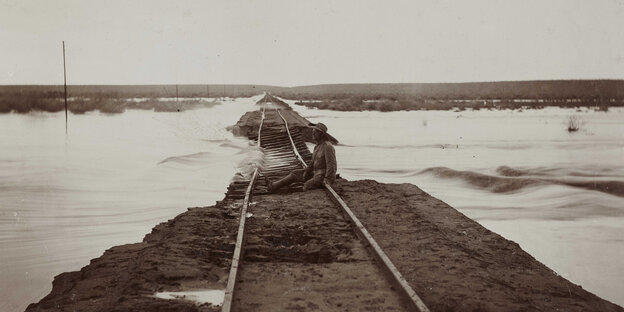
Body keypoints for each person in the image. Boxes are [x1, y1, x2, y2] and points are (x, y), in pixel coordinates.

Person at [266, 122, 337, 192]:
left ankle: (282, 190)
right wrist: (306, 171)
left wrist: (328, 179)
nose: (313, 133)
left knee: (306, 185)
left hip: (321, 176)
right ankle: (273, 186)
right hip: (315, 173)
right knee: (295, 173)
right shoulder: (317, 146)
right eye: (313, 131)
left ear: (321, 134)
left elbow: (332, 165)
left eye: (316, 132)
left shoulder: (328, 147)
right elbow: (312, 162)